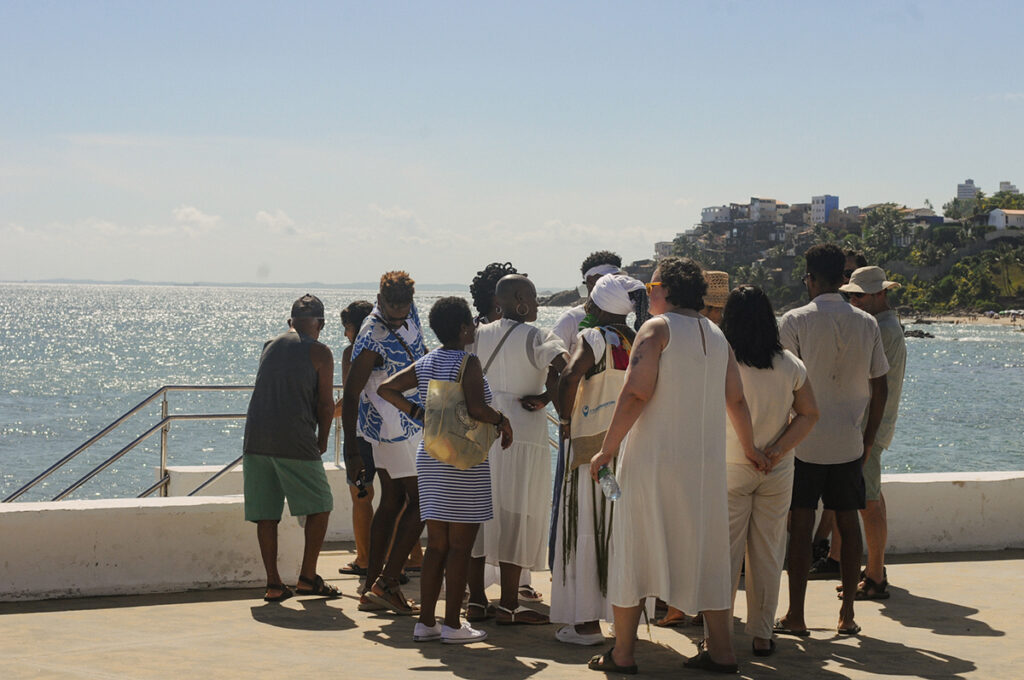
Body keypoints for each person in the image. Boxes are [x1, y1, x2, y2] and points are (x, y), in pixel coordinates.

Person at [587, 257, 760, 675]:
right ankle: (722, 651)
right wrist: (751, 448)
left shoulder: (657, 329)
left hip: (654, 460)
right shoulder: (716, 335)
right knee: (708, 552)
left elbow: (635, 394)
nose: (648, 294)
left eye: (651, 287)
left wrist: (606, 450)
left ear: (666, 289)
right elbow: (735, 398)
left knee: (633, 545)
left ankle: (623, 653)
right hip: (703, 466)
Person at [378, 297, 513, 644]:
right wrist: (503, 420)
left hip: (433, 455)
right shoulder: (469, 362)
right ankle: (453, 624)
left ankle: (427, 622)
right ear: (465, 327)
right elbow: (478, 409)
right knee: (460, 548)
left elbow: (386, 388)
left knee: (437, 545)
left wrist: (418, 413)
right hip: (464, 461)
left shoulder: (427, 361)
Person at [776, 244, 888, 637]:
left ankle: (796, 616)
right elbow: (881, 387)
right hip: (849, 440)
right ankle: (847, 616)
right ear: (844, 278)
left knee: (801, 527)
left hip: (804, 441)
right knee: (848, 524)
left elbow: (782, 383)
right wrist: (869, 438)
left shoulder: (793, 320)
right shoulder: (867, 323)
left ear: (809, 278)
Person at [720, 286, 819, 657]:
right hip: (776, 470)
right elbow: (810, 414)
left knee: (725, 555)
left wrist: (751, 450)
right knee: (767, 553)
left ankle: (720, 636)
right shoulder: (789, 363)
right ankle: (762, 634)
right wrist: (776, 450)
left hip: (730, 465)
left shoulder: (721, 359)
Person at [466, 274, 568, 625]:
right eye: (535, 298)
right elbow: (565, 369)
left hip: (482, 429)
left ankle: (476, 601)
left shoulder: (477, 334)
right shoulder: (538, 335)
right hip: (523, 432)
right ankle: (509, 604)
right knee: (518, 511)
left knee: (477, 514)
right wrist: (547, 398)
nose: (538, 305)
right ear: (521, 300)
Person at [553, 274, 647, 646]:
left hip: (591, 451)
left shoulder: (593, 338)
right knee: (617, 529)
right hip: (627, 447)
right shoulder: (639, 340)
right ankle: (619, 621)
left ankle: (586, 623)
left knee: (585, 527)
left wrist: (563, 419)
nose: (586, 307)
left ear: (597, 305)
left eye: (590, 301)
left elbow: (569, 376)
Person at [242, 294, 340, 602]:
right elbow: (325, 404)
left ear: (290, 322)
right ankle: (308, 577)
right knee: (321, 504)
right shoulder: (321, 352)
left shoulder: (270, 344)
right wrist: (323, 438)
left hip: (255, 439)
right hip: (295, 439)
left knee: (266, 514)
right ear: (320, 324)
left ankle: (273, 583)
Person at [342, 271, 428, 614]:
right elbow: (350, 395)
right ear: (379, 300)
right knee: (423, 501)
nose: (398, 313)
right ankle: (388, 581)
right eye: (391, 308)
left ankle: (371, 586)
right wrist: (351, 450)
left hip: (414, 425)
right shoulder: (370, 335)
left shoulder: (412, 314)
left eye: (403, 308)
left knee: (392, 501)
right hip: (389, 430)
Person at [837, 266, 907, 600]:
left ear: (879, 294)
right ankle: (874, 571)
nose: (853, 300)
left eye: (859, 295)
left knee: (868, 501)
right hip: (873, 426)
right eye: (851, 295)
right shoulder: (884, 326)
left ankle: (876, 576)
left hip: (869, 427)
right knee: (872, 497)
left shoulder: (882, 330)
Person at [809, 248, 870, 577]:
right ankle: (826, 556)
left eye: (852, 275)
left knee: (844, 512)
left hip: (842, 433)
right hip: (838, 433)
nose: (846, 280)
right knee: (843, 512)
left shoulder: (798, 319)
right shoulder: (864, 323)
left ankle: (825, 553)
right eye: (844, 274)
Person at [335, 300, 375, 577]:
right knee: (399, 496)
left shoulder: (353, 352)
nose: (346, 334)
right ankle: (413, 554)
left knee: (361, 496)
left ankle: (364, 559)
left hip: (362, 431)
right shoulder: (389, 346)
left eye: (347, 328)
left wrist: (325, 414)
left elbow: (352, 395)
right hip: (392, 430)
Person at [552, 251, 624, 353]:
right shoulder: (570, 320)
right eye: (607, 279)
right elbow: (553, 363)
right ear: (590, 281)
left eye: (617, 279)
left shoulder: (620, 317)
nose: (614, 283)